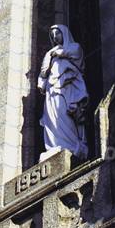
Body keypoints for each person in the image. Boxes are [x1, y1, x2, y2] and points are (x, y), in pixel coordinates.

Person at [37, 24, 88, 159]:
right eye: (52, 35)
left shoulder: (73, 47)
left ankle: (70, 145)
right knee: (52, 118)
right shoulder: (51, 54)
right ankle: (54, 146)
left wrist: (59, 52)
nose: (55, 37)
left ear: (64, 34)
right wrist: (48, 58)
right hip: (52, 90)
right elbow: (43, 73)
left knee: (64, 115)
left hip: (67, 90)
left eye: (57, 33)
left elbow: (75, 54)